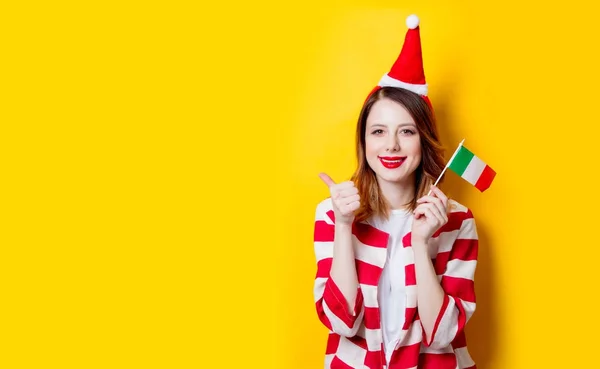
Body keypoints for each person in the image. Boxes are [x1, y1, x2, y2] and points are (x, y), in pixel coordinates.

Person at [312, 15, 479, 369]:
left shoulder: (458, 220)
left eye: (406, 132)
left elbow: (443, 334)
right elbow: (341, 323)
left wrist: (421, 243)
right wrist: (344, 227)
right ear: (363, 142)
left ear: (424, 141)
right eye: (378, 132)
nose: (391, 146)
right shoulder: (332, 213)